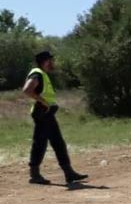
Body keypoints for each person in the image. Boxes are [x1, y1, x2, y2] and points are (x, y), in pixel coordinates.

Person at [22, 50, 88, 186]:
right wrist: (43, 102)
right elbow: (27, 90)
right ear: (45, 61)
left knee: (58, 142)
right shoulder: (37, 73)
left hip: (47, 113)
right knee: (41, 143)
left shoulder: (42, 74)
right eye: (50, 60)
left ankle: (68, 173)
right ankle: (35, 175)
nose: (52, 62)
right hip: (42, 112)